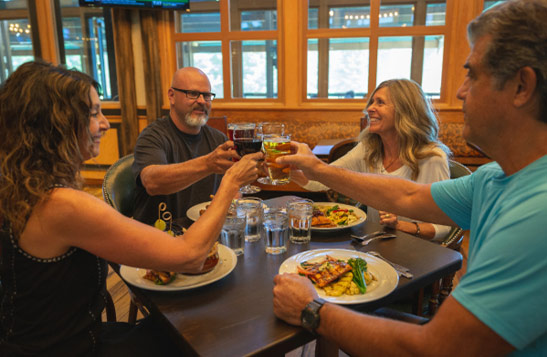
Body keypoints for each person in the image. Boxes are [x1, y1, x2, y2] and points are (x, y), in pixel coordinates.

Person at [273, 0, 547, 355]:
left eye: (472, 74)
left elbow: (436, 349)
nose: (461, 91)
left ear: (522, 87)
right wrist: (316, 168)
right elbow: (407, 197)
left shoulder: (538, 214)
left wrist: (312, 310)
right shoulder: (496, 177)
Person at [0, 61, 262, 355]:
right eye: (93, 113)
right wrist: (229, 182)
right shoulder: (61, 205)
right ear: (54, 124)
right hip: (69, 348)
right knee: (209, 336)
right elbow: (190, 256)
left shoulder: (23, 188)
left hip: (51, 339)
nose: (105, 124)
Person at [294, 79, 452, 240]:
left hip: (415, 251)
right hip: (375, 245)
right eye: (371, 102)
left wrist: (400, 226)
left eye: (380, 103)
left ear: (405, 111)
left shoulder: (432, 158)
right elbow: (319, 181)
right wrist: (286, 167)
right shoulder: (368, 149)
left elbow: (444, 227)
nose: (369, 108)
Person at [132, 67, 238, 225]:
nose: (202, 101)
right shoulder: (153, 136)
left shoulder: (218, 139)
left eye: (207, 95)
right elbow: (152, 182)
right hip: (160, 235)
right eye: (193, 94)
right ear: (172, 96)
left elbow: (236, 185)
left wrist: (232, 198)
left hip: (205, 231)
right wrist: (208, 164)